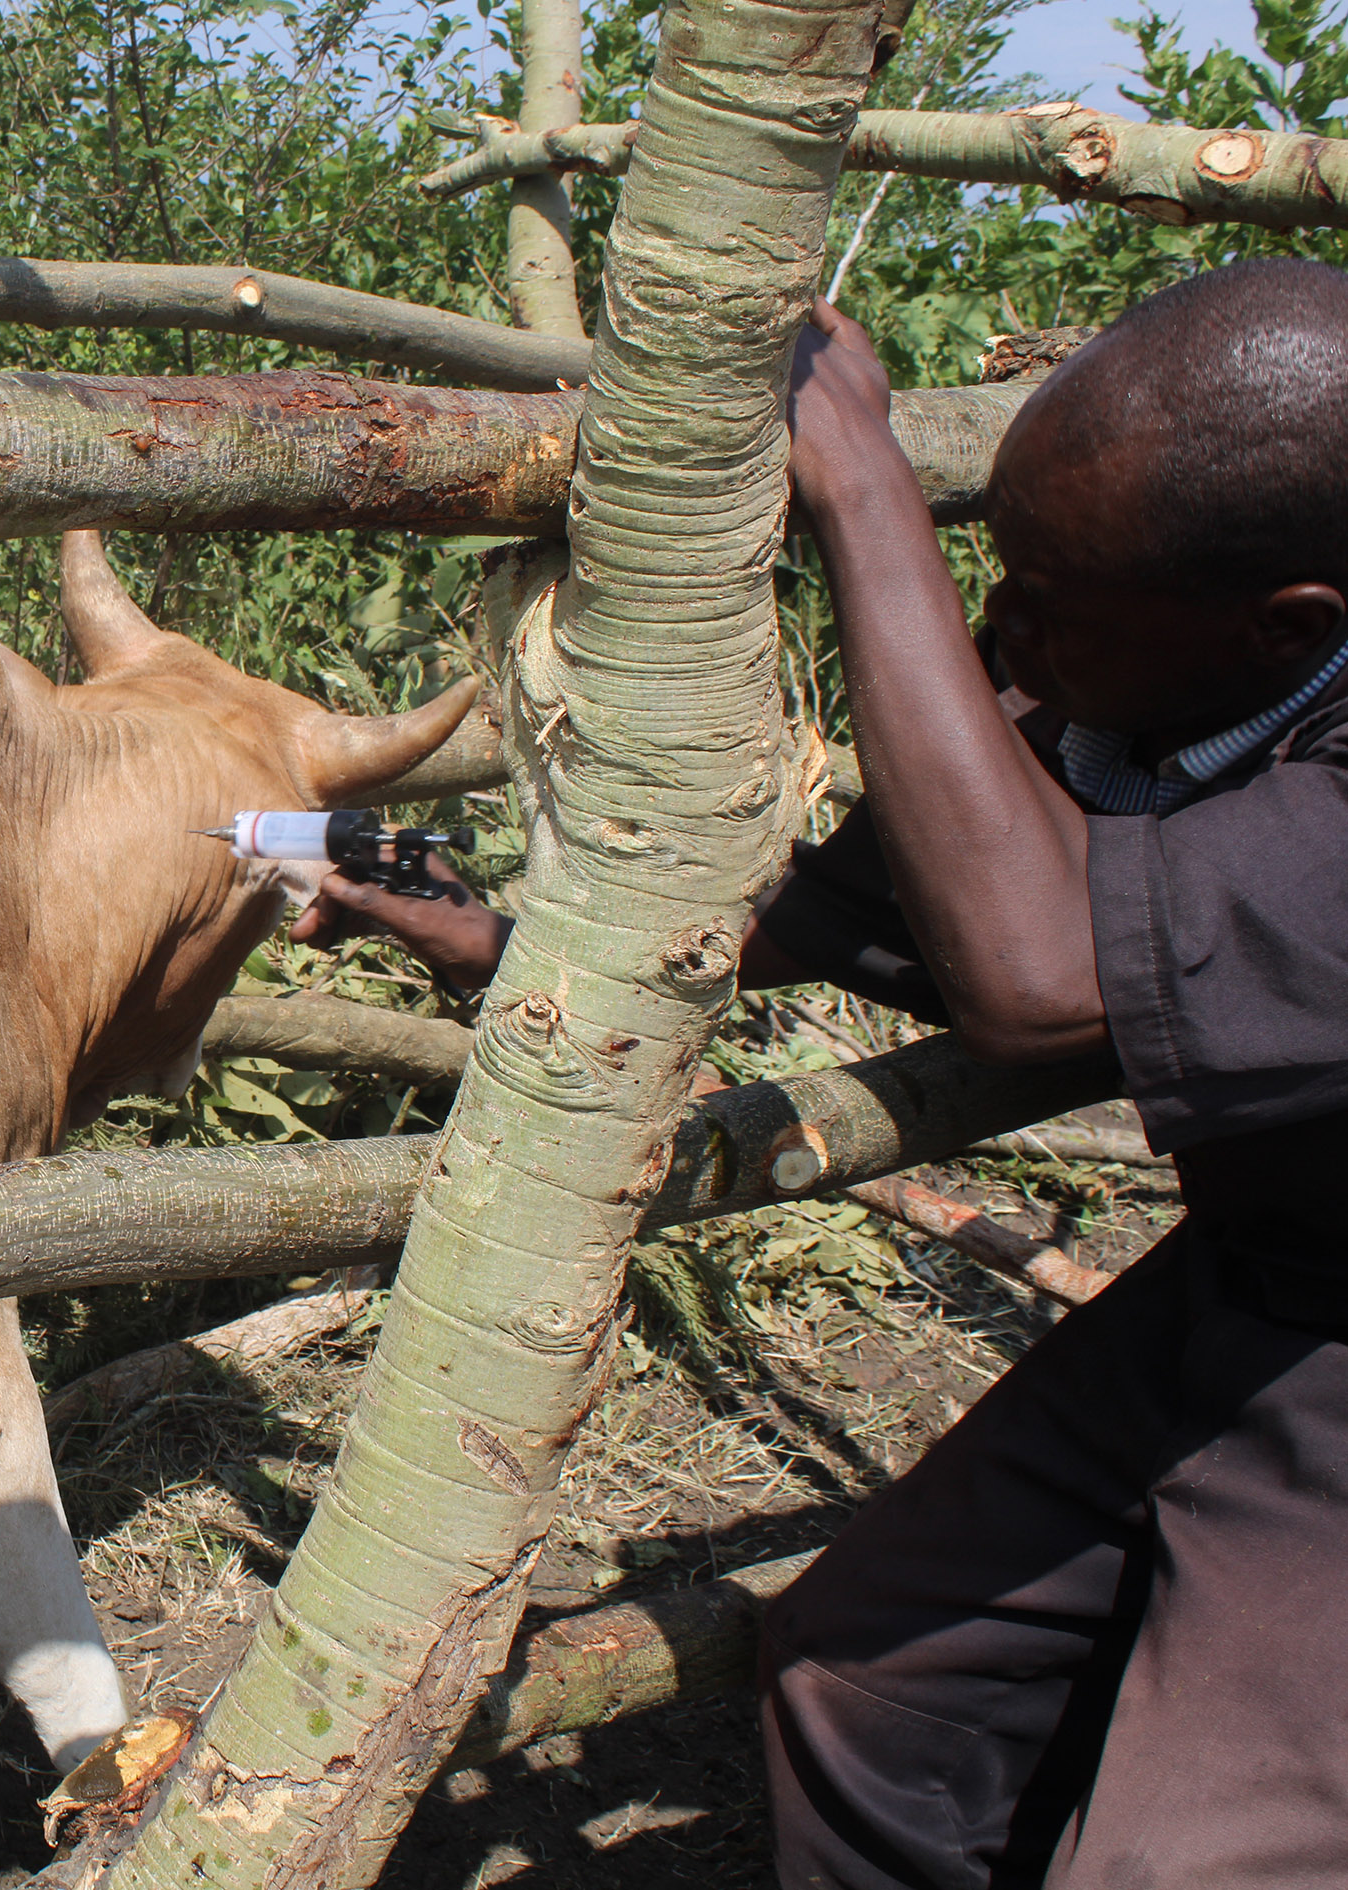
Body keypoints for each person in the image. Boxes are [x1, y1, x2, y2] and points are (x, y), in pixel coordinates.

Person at [307, 259, 1348, 1887]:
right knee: (859, 1681)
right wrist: (512, 934)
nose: (1001, 628)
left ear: (1288, 628)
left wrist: (866, 491)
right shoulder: (1183, 662)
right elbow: (883, 902)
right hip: (1259, 1282)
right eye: (995, 568)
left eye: (1050, 599)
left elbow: (1039, 973)